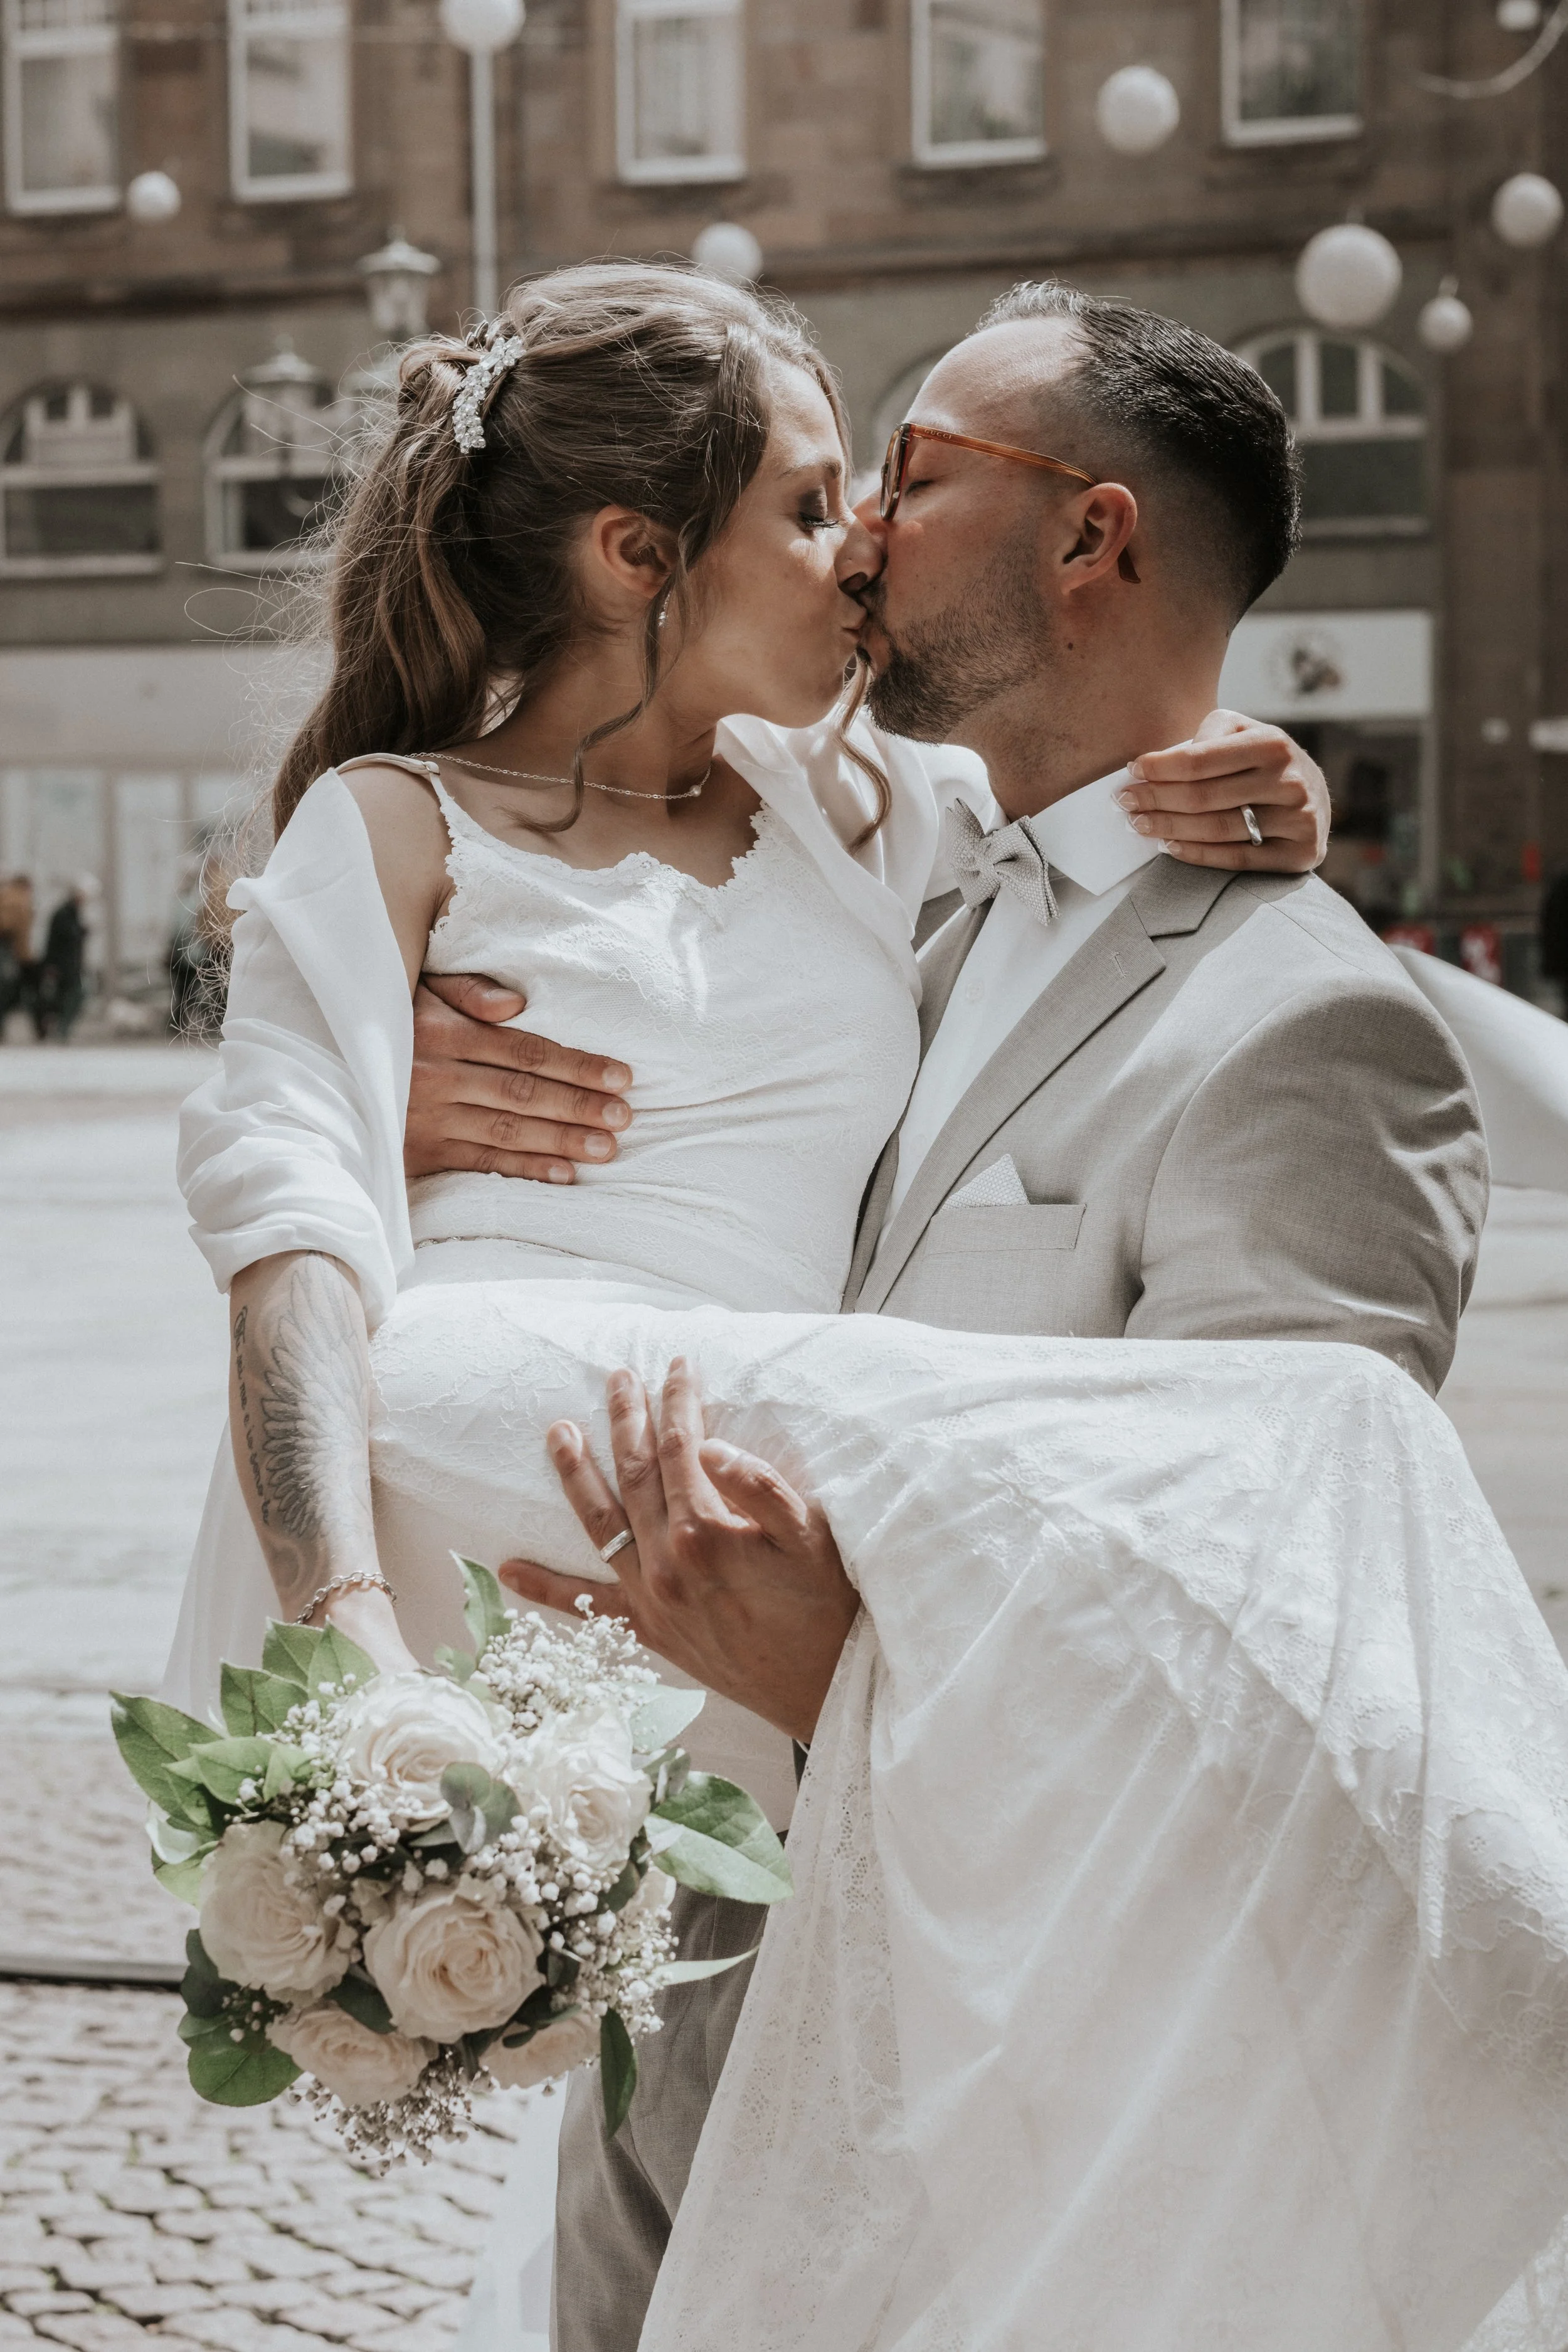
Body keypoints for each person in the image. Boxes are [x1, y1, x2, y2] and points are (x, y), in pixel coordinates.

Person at [166, 267, 1568, 2352]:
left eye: (903, 478)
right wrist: (397, 1115)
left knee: (1319, 1459)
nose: (869, 539)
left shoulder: (1267, 1010)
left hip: (976, 2052)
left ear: (1093, 536)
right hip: (670, 1878)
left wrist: (841, 1673)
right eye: (833, 493)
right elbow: (518, 1011)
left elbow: (1278, 1654)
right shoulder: (866, 845)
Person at [31, 879, 92, 1040]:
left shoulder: (73, 913)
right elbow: (56, 941)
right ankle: (58, 1029)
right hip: (62, 965)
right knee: (67, 997)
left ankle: (59, 1028)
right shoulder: (64, 914)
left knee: (68, 997)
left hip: (70, 965)